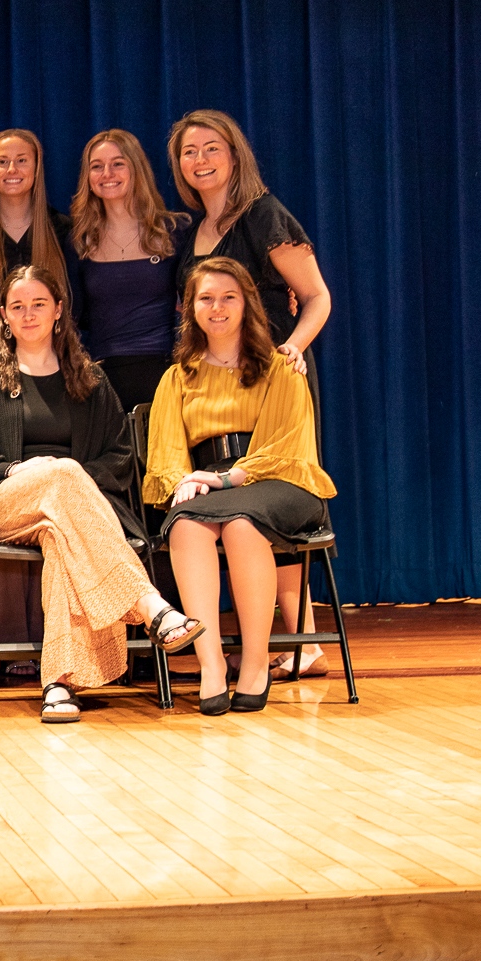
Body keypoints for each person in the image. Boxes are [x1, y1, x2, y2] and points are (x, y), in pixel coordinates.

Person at [0, 266, 205, 721]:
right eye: (18, 307)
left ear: (59, 309)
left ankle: (59, 686)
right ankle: (150, 606)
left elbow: (120, 458)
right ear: (3, 315)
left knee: (63, 537)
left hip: (70, 515)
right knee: (61, 475)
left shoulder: (89, 378)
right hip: (3, 503)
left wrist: (69, 480)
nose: (28, 315)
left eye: (39, 304)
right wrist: (18, 468)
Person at [167, 109, 336, 673]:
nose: (201, 161)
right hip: (222, 377)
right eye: (190, 152)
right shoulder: (197, 231)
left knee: (270, 500)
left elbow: (315, 296)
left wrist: (294, 347)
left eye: (211, 149)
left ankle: (302, 642)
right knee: (249, 508)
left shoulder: (264, 215)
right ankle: (303, 641)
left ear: (234, 154)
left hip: (273, 375)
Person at [143, 258, 337, 715]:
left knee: (241, 524)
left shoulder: (283, 366)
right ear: (189, 309)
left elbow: (285, 448)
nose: (217, 307)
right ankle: (210, 663)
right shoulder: (178, 376)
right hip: (211, 487)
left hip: (279, 480)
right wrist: (184, 482)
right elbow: (167, 454)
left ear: (247, 303)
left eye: (228, 297)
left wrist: (222, 478)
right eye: (205, 298)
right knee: (186, 526)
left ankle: (254, 663)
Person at [69, 129, 191, 413]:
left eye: (118, 163)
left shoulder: (175, 231)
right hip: (101, 379)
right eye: (96, 166)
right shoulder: (78, 241)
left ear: (137, 168)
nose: (107, 173)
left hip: (167, 375)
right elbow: (73, 318)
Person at [0, 127, 71, 314]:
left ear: (37, 168)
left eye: (21, 160)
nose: (12, 169)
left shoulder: (62, 229)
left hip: (51, 342)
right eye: (2, 162)